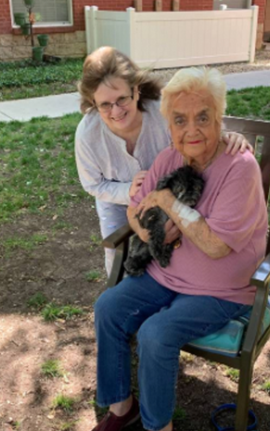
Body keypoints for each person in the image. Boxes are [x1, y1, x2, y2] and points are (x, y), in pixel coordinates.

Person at [84, 67, 268, 431]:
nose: (192, 130)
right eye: (180, 120)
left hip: (220, 289)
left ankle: (158, 429)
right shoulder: (169, 158)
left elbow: (217, 246)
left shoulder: (240, 167)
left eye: (204, 116)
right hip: (165, 273)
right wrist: (151, 233)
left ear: (220, 118)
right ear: (168, 125)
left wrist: (168, 204)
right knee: (109, 308)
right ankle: (122, 407)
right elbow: (135, 211)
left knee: (155, 333)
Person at [75, 47, 252, 275]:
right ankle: (124, 293)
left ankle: (166, 286)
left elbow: (197, 130)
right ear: (93, 102)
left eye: (122, 99)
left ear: (136, 91)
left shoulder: (161, 111)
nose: (116, 111)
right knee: (118, 260)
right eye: (105, 105)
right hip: (116, 203)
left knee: (171, 247)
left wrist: (226, 137)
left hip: (171, 193)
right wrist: (128, 190)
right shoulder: (87, 134)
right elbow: (93, 184)